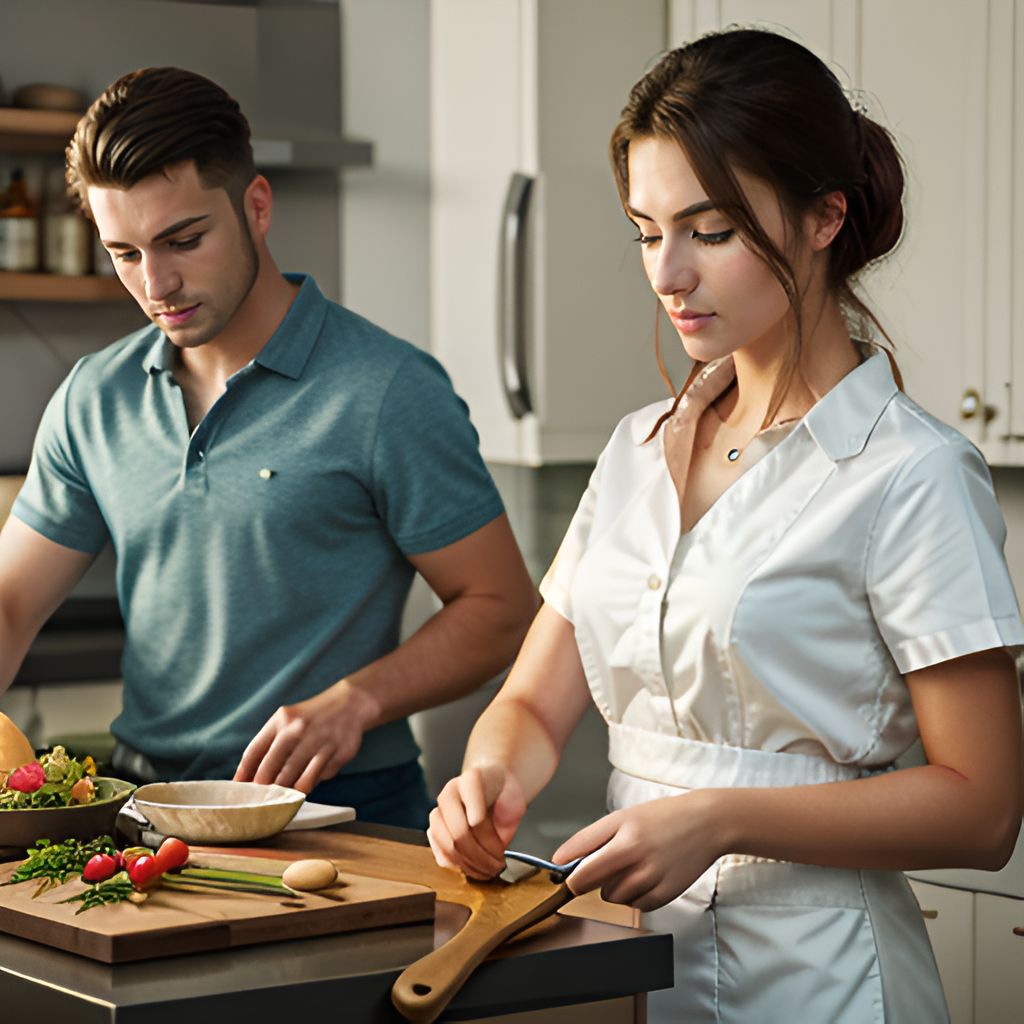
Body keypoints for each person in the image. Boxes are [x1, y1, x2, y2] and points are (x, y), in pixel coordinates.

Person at [427, 27, 1024, 1022]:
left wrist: (716, 818)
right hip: (627, 961)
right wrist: (487, 778)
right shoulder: (633, 450)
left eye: (710, 230)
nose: (667, 275)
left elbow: (982, 806)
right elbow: (533, 705)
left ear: (823, 216)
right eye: (646, 230)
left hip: (822, 979)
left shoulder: (912, 473)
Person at [0, 67, 538, 829]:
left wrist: (357, 700)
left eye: (183, 239)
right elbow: (13, 601)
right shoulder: (95, 396)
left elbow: (503, 608)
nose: (157, 283)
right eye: (123, 253)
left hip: (344, 809)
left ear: (256, 208)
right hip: (145, 810)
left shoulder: (387, 390)